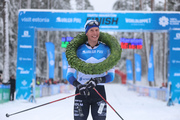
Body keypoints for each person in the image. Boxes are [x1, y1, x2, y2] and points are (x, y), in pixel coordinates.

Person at [66, 20, 115, 120]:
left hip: (99, 92)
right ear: (86, 33)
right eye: (91, 30)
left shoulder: (106, 49)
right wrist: (79, 85)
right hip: (82, 91)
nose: (95, 33)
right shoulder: (77, 50)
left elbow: (111, 75)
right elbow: (69, 75)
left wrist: (98, 80)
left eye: (97, 30)